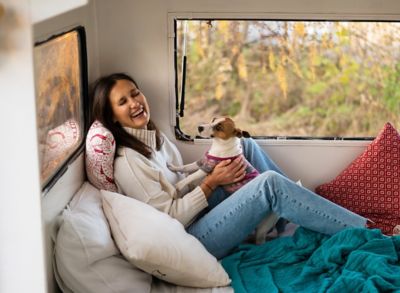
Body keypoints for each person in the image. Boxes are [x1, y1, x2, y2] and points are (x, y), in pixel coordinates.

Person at [90, 73, 367, 259]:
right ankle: (365, 230)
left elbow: (178, 183)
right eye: (123, 102)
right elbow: (170, 220)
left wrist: (213, 176)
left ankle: (289, 217)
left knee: (243, 146)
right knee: (268, 184)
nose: (135, 103)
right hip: (192, 237)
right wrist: (211, 184)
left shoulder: (154, 138)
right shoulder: (129, 163)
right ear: (112, 116)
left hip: (197, 213)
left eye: (135, 94)